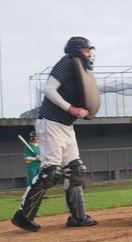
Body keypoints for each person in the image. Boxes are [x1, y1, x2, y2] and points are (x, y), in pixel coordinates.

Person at [11, 36, 98, 232]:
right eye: (86, 50)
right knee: (51, 172)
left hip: (66, 126)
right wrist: (71, 109)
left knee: (76, 170)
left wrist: (79, 111)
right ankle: (23, 215)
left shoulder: (78, 68)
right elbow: (48, 89)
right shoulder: (66, 63)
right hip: (50, 123)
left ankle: (77, 217)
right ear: (76, 50)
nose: (89, 53)